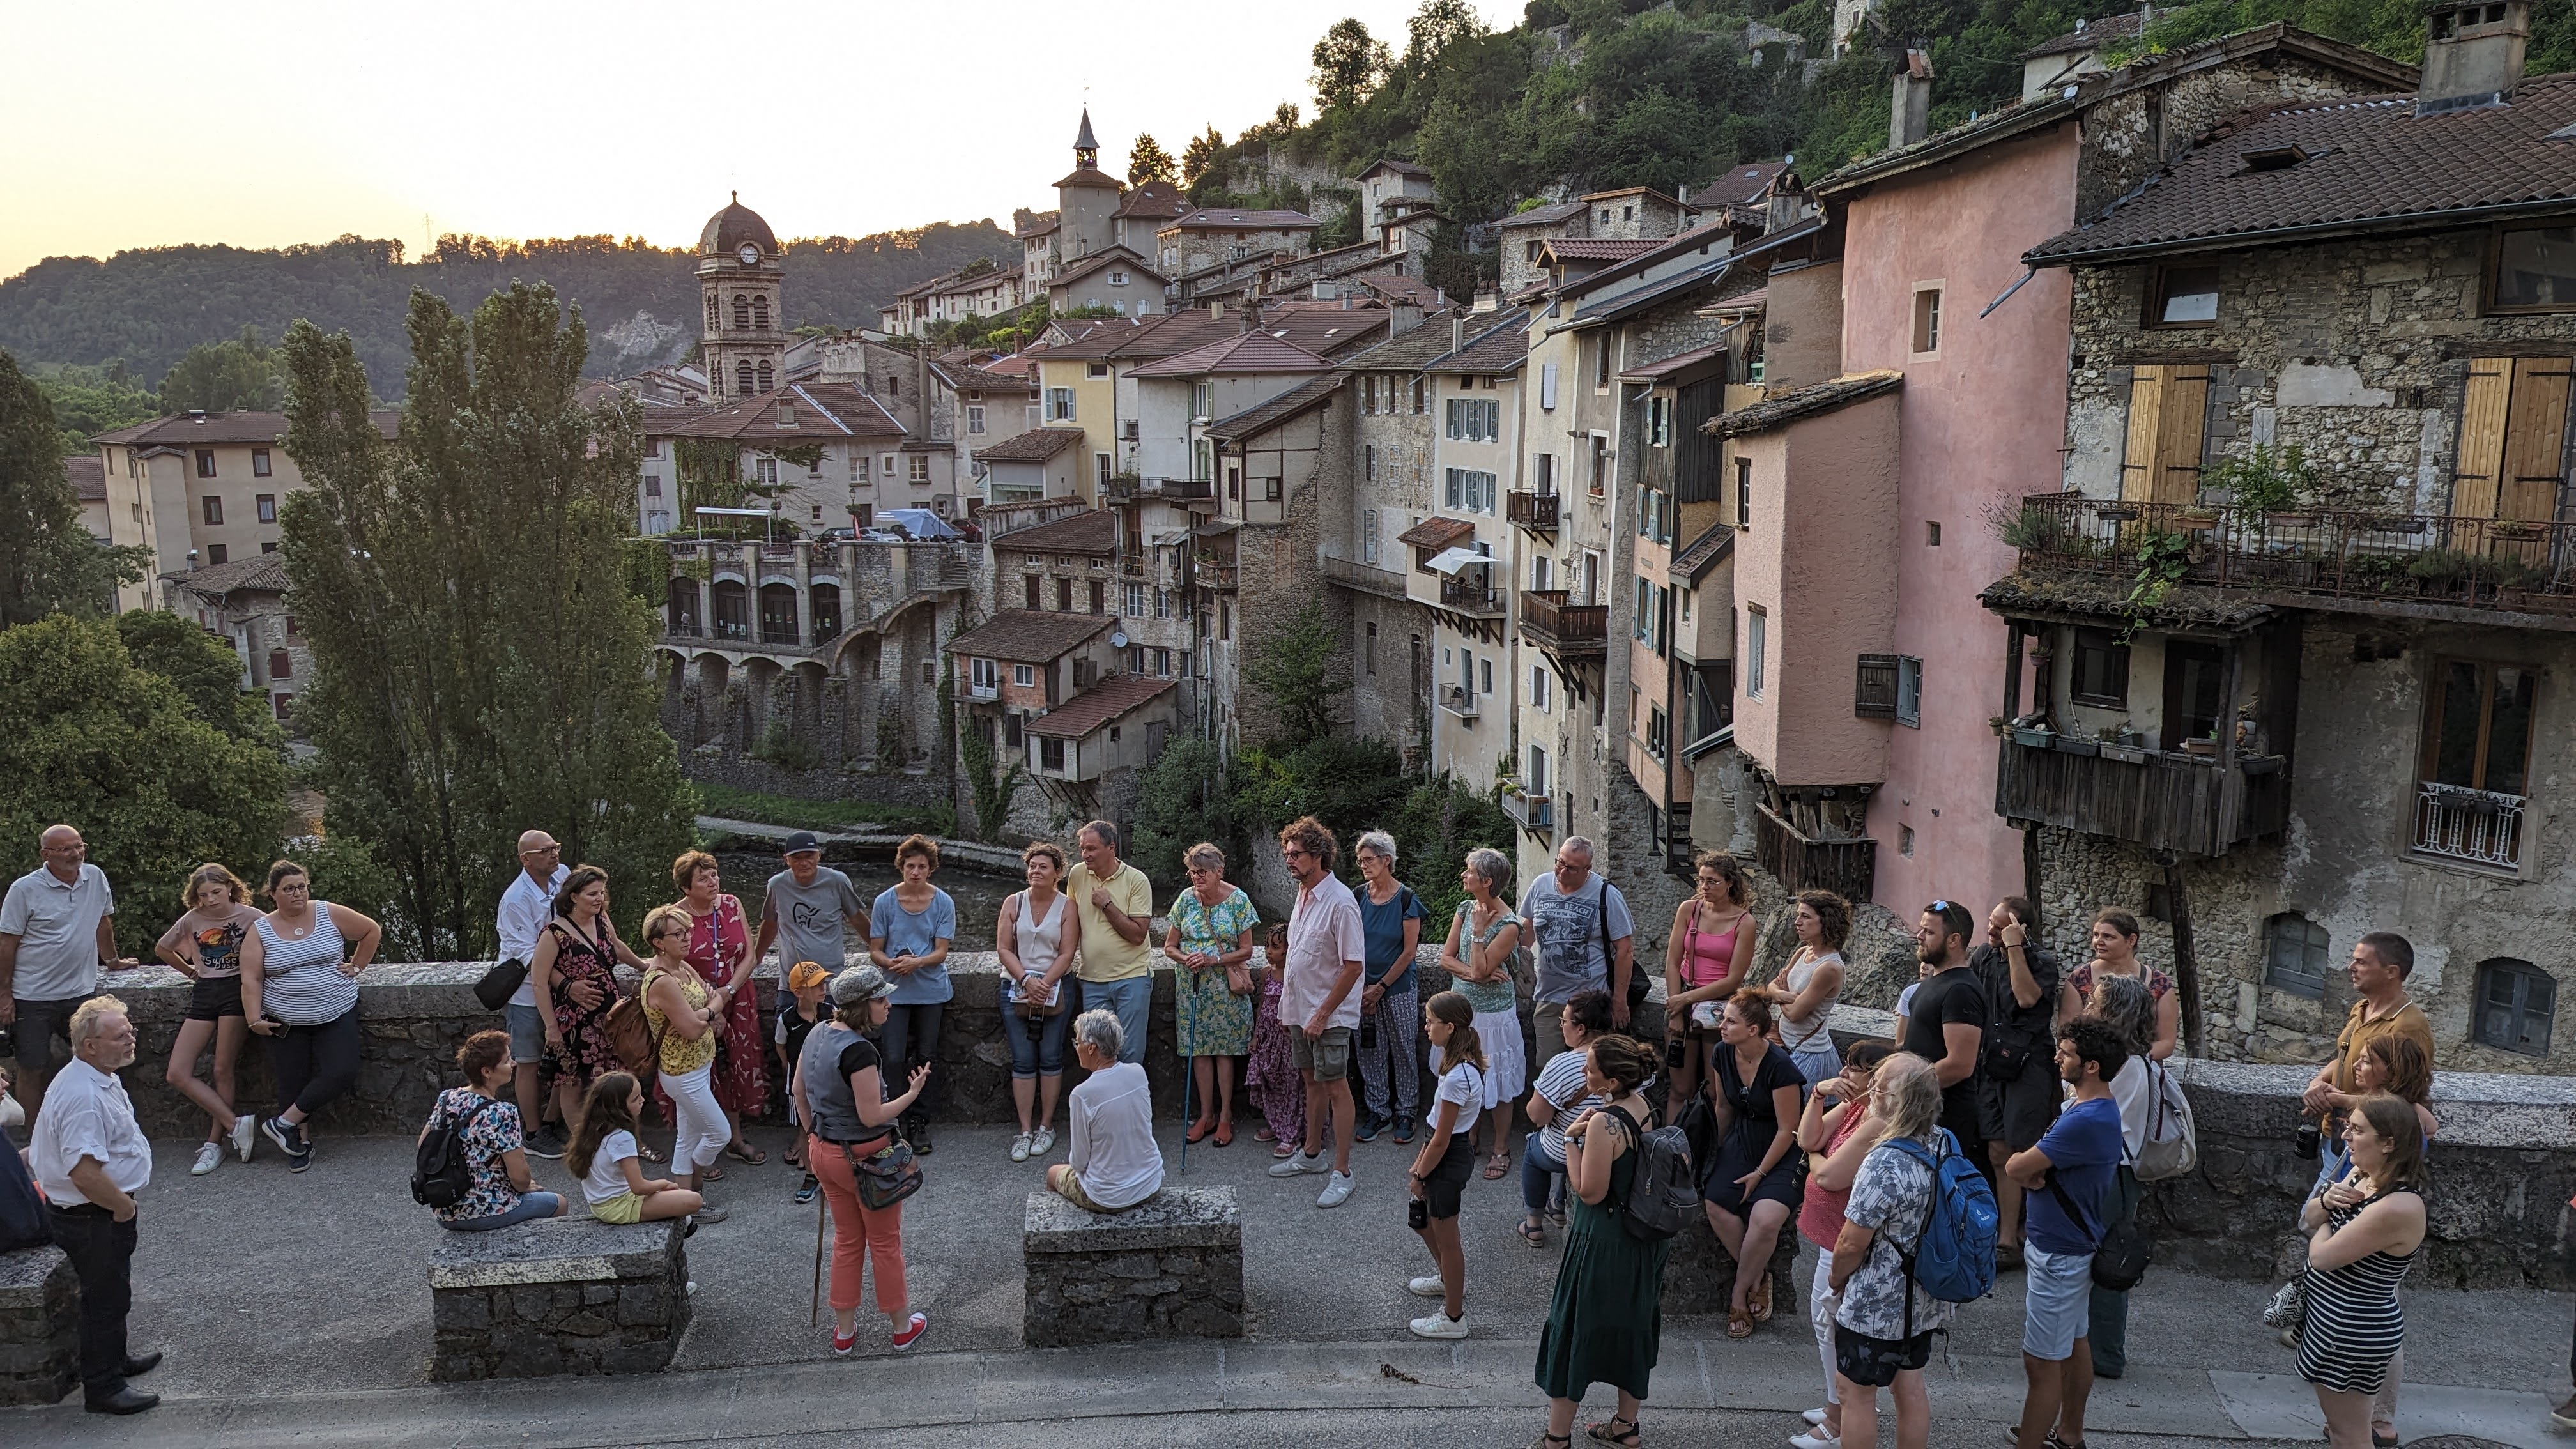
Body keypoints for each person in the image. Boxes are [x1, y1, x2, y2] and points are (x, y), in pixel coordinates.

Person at [1531, 1034, 1667, 1449]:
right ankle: (1626, 1426)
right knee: (1631, 1326)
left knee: (1575, 1327)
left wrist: (1574, 1140)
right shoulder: (1644, 1108)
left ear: (1609, 1080)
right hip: (1641, 1241)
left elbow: (1589, 1191)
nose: (1584, 1073)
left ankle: (1557, 1439)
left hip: (1602, 1240)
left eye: (1591, 1068)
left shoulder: (1604, 1124)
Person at [26, 996, 160, 1414]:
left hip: (96, 1212)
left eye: (130, 1031)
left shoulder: (98, 1075)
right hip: (93, 1215)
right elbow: (84, 1173)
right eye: (120, 1035)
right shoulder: (83, 1095)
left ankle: (114, 1361)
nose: (130, 1038)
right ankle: (103, 1387)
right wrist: (123, 1208)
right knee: (104, 1299)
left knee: (113, 1292)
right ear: (89, 1045)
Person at [2004, 1017, 2131, 1449]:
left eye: (2066, 1053)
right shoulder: (2088, 1108)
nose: (2057, 1057)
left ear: (2091, 1066)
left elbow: (2016, 1167)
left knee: (2040, 1364)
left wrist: (2032, 1170)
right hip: (2071, 1247)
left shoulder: (2086, 1118)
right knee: (2075, 1343)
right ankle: (2070, 1433)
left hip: (2058, 1253)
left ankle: (2034, 1440)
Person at [795, 963, 931, 1356]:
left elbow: (798, 1091)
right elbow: (873, 1116)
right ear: (861, 1006)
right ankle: (903, 1328)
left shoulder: (818, 1031)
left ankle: (844, 1333)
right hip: (866, 1159)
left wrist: (812, 1136)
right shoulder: (860, 1051)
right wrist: (913, 1093)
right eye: (881, 999)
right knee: (885, 1242)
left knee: (847, 1241)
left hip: (824, 1152)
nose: (889, 1004)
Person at [1830, 1053, 1956, 1449]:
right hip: (1926, 1295)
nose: (1870, 1091)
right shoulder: (1944, 1142)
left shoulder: (1884, 1160)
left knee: (1856, 1394)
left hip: (1877, 1302)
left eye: (1878, 1086)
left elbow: (1852, 1242)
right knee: (1911, 1388)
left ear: (1895, 1102)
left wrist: (1836, 1280)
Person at [2297, 1094, 2428, 1449]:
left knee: (2351, 1436)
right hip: (2331, 1322)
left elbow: (2322, 1256)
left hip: (2353, 1331)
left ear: (2388, 1143)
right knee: (2341, 1433)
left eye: (2356, 1130)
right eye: (2347, 1127)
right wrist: (2325, 1203)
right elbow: (2307, 1218)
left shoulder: (2399, 1206)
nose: (2345, 1137)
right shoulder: (2361, 1174)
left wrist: (2325, 1219)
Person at [1790, 1040, 1897, 1449]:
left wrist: (1817, 1165)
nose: (1847, 1073)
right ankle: (1837, 1405)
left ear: (1879, 1079)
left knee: (1830, 1325)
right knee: (1825, 1323)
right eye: (1848, 1065)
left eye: (1857, 1068)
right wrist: (1818, 1093)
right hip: (1830, 1236)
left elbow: (1830, 1177)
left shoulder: (1878, 1118)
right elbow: (1807, 1137)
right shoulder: (1856, 1106)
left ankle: (1839, 1422)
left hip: (1847, 1240)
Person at [247, 860, 383, 1173]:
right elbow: (252, 978)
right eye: (289, 888)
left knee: (341, 1071)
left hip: (336, 1010)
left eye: (302, 886)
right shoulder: (261, 930)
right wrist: (254, 1019)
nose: (298, 893)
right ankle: (297, 1142)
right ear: (272, 894)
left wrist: (358, 965)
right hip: (285, 1019)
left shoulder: (327, 912)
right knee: (292, 1080)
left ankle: (282, 1124)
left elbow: (370, 930)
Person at [2, 825, 132, 1127]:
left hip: (81, 992)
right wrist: (4, 995)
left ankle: (105, 1126)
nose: (76, 854)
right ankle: (37, 1140)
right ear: (46, 854)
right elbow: (7, 945)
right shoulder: (24, 890)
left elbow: (103, 922)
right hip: (32, 996)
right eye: (66, 849)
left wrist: (112, 960)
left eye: (79, 846)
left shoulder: (95, 877)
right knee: (32, 1067)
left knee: (99, 1059)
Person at [1268, 815, 1364, 1209]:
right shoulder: (1305, 894)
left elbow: (1354, 965)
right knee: (1311, 1082)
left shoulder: (1340, 902)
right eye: (1287, 854)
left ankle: (1343, 1172)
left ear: (1319, 856)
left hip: (1328, 1014)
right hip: (1301, 1009)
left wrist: (1324, 1013)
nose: (1289, 861)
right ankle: (1311, 1154)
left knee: (1336, 1087)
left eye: (1296, 855)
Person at [2348, 1033, 2436, 1446]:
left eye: (2369, 1060)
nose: (2358, 1065)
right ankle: (2356, 1415)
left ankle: (2380, 1419)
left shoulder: (2403, 1115)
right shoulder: (2375, 1108)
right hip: (2366, 1207)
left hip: (2385, 1214)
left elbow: (2426, 1126)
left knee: (2381, 1315)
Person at [2298, 933, 2433, 1203]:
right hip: (2338, 1134)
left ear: (2391, 972)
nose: (2351, 967)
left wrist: (2340, 1099)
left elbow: (2405, 1102)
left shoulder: (2408, 1026)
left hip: (2367, 1144)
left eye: (2361, 962)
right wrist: (2317, 1084)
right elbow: (2344, 1057)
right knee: (2322, 1217)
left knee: (2318, 1220)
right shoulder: (2362, 1008)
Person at [1702, 993, 1805, 1340]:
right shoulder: (1721, 1053)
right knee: (1715, 1203)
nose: (1722, 1025)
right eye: (1723, 1017)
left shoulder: (1781, 1069)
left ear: (1754, 1029)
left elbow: (1788, 1130)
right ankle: (1759, 1278)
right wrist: (1712, 1151)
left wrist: (1760, 1174)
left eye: (1730, 1021)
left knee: (1766, 1219)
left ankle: (1738, 1292)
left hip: (1781, 1148)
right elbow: (1724, 1108)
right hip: (1743, 1139)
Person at [154, 864, 263, 1174]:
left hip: (237, 990)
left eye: (216, 892)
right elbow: (163, 948)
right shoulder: (193, 919)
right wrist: (190, 971)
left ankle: (215, 1144)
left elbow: (276, 946)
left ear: (230, 887)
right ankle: (235, 1125)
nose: (211, 900)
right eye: (203, 895)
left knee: (221, 1068)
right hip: (205, 991)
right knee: (177, 1072)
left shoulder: (252, 917)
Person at [1974, 897, 2063, 1269]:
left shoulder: (2042, 963)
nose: (1991, 930)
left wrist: (2014, 947)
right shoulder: (1983, 956)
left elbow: (2026, 999)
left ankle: (2027, 1234)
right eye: (1991, 922)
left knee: (2025, 1149)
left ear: (2019, 927)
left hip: (2029, 1065)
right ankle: (2006, 1238)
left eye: (1999, 925)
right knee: (1997, 1148)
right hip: (1992, 1063)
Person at [529, 865, 645, 1147]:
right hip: (574, 1021)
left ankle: (625, 1140)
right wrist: (551, 1028)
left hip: (608, 1017)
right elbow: (539, 982)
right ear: (573, 897)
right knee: (573, 1081)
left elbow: (616, 947)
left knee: (617, 1078)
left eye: (601, 893)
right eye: (592, 894)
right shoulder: (554, 933)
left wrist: (644, 965)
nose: (599, 899)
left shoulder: (602, 920)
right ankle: (583, 1144)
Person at [2083, 974, 2159, 1382]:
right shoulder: (2131, 1062)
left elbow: (2103, 1124)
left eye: (2094, 1001)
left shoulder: (2125, 1067)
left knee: (2109, 1265)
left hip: (2112, 1171)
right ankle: (2097, 1351)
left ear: (2114, 1011)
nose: (2087, 1006)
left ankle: (2106, 1356)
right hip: (2114, 1170)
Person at [670, 851, 767, 1169]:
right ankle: (701, 1148)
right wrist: (713, 1004)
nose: (713, 882)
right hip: (696, 1004)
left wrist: (727, 993)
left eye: (714, 875)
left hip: (737, 995)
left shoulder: (731, 903)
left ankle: (735, 1138)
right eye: (703, 878)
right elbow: (675, 965)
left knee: (736, 1066)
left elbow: (749, 956)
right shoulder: (675, 918)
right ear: (687, 887)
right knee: (701, 1071)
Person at [422, 1029, 569, 1231]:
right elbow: (520, 1178)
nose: (514, 1064)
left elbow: (423, 1144)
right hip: (487, 1211)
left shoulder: (447, 1099)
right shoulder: (502, 1113)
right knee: (559, 1203)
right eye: (507, 1061)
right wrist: (527, 1187)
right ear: (487, 1072)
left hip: (445, 1209)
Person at [640, 902, 732, 1222]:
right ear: (658, 942)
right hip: (683, 1072)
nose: (686, 938)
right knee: (719, 1134)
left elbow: (716, 994)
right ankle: (693, 1188)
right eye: (677, 933)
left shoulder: (683, 967)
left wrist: (709, 1008)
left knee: (688, 1136)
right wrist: (710, 1012)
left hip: (699, 1066)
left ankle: (688, 1205)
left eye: (688, 931)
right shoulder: (662, 981)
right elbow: (693, 1028)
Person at [1439, 847, 1526, 1182]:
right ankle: (1470, 1138)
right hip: (1462, 1010)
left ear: (1487, 881)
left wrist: (1477, 934)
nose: (1464, 875)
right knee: (1465, 1076)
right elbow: (1447, 959)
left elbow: (1478, 970)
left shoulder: (1509, 925)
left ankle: (1501, 1148)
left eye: (1469, 871)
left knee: (1498, 1081)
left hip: (1493, 1017)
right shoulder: (1464, 908)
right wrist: (1477, 972)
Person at [1403, 990, 1484, 1339]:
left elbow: (1443, 1137)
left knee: (1448, 1239)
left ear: (1450, 1027)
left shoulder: (1456, 1078)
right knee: (1426, 1224)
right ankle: (1449, 1281)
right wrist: (1419, 1164)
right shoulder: (1460, 1065)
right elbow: (1435, 1127)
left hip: (1448, 1160)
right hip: (1445, 1154)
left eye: (1431, 1022)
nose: (1426, 1027)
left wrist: (1422, 1172)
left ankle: (1454, 1318)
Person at [869, 834, 955, 1154]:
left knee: (925, 1055)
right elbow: (874, 950)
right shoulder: (885, 902)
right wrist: (891, 963)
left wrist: (918, 962)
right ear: (901, 868)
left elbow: (942, 951)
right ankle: (893, 1120)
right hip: (894, 991)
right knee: (891, 1057)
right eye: (909, 866)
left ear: (930, 869)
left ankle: (919, 1122)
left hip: (931, 991)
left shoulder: (943, 902)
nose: (915, 872)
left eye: (921, 866)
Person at [1167, 843, 1256, 1148]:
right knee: (1199, 1052)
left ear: (1220, 871)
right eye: (1192, 872)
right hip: (1191, 988)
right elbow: (1170, 947)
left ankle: (1226, 1116)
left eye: (1202, 872)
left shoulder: (1238, 901)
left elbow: (1247, 950)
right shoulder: (1185, 900)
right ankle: (1205, 1115)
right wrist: (1186, 959)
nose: (1196, 878)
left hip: (1224, 990)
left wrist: (1214, 960)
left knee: (1224, 1053)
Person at [999, 841, 1082, 1163]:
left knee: (1050, 1056)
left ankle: (1046, 1126)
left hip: (1057, 986)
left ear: (1057, 873)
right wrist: (1026, 981)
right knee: (1022, 1059)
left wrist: (1045, 983)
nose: (1036, 871)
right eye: (1032, 866)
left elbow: (1067, 952)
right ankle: (1024, 1130)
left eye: (1043, 867)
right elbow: (1005, 948)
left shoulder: (1067, 906)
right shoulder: (1013, 902)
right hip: (1016, 987)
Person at [1519, 836, 1636, 1060]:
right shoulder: (1541, 885)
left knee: (1591, 1070)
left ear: (1587, 869)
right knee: (1548, 1068)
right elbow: (1528, 930)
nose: (1562, 871)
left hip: (1591, 1002)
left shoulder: (1607, 894)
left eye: (1571, 868)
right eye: (1560, 863)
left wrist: (1619, 1000)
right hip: (1549, 997)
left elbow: (1625, 950)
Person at [496, 830, 572, 1157]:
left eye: (555, 847)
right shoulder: (515, 900)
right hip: (527, 993)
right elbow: (528, 956)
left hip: (559, 986)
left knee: (566, 1057)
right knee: (528, 1062)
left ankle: (553, 1120)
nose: (554, 854)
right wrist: (566, 983)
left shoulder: (564, 875)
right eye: (545, 851)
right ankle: (532, 1132)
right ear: (526, 860)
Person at [1897, 900, 1986, 1179]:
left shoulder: (1960, 989)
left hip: (1940, 1119)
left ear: (1954, 940)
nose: (1919, 937)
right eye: (1921, 930)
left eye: (1929, 932)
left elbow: (1960, 1064)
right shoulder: (1932, 983)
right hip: (1918, 1112)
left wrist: (1903, 1090)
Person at [1519, 990, 1614, 1246]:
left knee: (1534, 1149)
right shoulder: (1626, 1057)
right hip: (1609, 1150)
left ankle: (1534, 1224)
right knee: (1579, 1142)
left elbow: (1538, 1116)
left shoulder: (1563, 1064)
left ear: (1580, 1028)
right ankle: (1559, 1205)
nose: (1561, 1027)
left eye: (1564, 1021)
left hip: (1566, 1151)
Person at [1046, 1008, 1165, 1213]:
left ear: (1091, 1048)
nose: (1077, 1048)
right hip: (1151, 1182)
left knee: (1052, 1174)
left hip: (1108, 1197)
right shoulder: (1138, 1073)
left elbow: (1079, 1162)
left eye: (1078, 1043)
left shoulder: (1082, 1095)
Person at [1664, 849, 1755, 1112]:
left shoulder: (1744, 922)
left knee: (1716, 1093)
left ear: (1729, 883)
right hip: (1683, 997)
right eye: (1701, 880)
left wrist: (1685, 1000)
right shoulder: (1689, 910)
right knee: (1680, 1088)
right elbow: (1672, 962)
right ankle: (1669, 1147)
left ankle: (1711, 1149)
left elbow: (1734, 979)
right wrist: (1676, 1008)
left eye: (1712, 881)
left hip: (1719, 1007)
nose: (1704, 887)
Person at [1351, 832, 1427, 1144]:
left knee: (1404, 1050)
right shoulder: (1357, 897)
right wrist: (1363, 988)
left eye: (1369, 860)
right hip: (1362, 988)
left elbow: (1409, 952)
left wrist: (1380, 987)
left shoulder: (1406, 900)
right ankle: (1378, 1111)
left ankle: (1406, 1111)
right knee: (1369, 1050)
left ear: (1387, 861)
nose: (1363, 865)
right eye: (1361, 860)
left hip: (1397, 989)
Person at [1067, 820, 1153, 1066]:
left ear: (1111, 847)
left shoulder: (1137, 880)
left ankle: (1130, 1104)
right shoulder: (1077, 874)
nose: (1085, 855)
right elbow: (1070, 922)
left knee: (1129, 1054)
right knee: (1095, 1055)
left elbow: (1138, 935)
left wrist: (1107, 905)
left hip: (1132, 977)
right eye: (1082, 848)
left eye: (1092, 849)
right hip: (1092, 979)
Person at [569, 1071, 703, 1223]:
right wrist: (664, 1184)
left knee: (677, 1200)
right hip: (618, 1206)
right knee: (694, 1200)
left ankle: (683, 1222)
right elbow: (639, 1187)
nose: (642, 1100)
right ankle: (683, 1224)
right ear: (618, 1108)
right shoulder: (621, 1138)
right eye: (635, 1099)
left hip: (600, 1204)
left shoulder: (595, 1129)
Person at [2058, 908, 2178, 1062]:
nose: (2098, 941)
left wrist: (2128, 1062)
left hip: (2139, 1066)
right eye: (2096, 935)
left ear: (2131, 940)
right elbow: (2066, 1034)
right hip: (2091, 1068)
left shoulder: (2159, 985)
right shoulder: (2079, 981)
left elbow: (2167, 1042)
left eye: (2108, 937)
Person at [755, 830, 870, 979]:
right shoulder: (777, 885)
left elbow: (857, 919)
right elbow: (770, 923)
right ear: (787, 860)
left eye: (809, 857)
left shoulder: (838, 882)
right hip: (792, 980)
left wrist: (879, 950)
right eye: (797, 858)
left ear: (819, 856)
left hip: (831, 978)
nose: (804, 863)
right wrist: (756, 958)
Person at [1767, 889, 1850, 1087]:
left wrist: (1780, 997)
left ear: (1826, 922)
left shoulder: (1829, 968)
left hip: (1808, 1054)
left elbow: (1795, 1014)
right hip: (1788, 1045)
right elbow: (1771, 987)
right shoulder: (1803, 952)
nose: (1797, 922)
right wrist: (1784, 994)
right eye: (1798, 916)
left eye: (1805, 917)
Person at [1244, 923, 1307, 1156]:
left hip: (1288, 1039)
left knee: (1291, 1086)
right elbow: (1262, 1005)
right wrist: (1256, 1036)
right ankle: (1276, 1123)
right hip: (1268, 1039)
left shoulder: (1294, 976)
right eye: (1267, 946)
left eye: (1276, 947)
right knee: (1271, 1083)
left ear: (1289, 950)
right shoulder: (1265, 973)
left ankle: (1291, 1133)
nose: (1269, 951)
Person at [773, 961, 832, 1201]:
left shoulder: (831, 1012)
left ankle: (834, 1173)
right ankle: (811, 1175)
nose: (823, 988)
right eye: (816, 985)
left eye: (824, 982)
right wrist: (789, 1067)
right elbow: (781, 1046)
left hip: (829, 1080)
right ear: (798, 992)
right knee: (806, 1130)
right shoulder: (786, 1019)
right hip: (801, 1083)